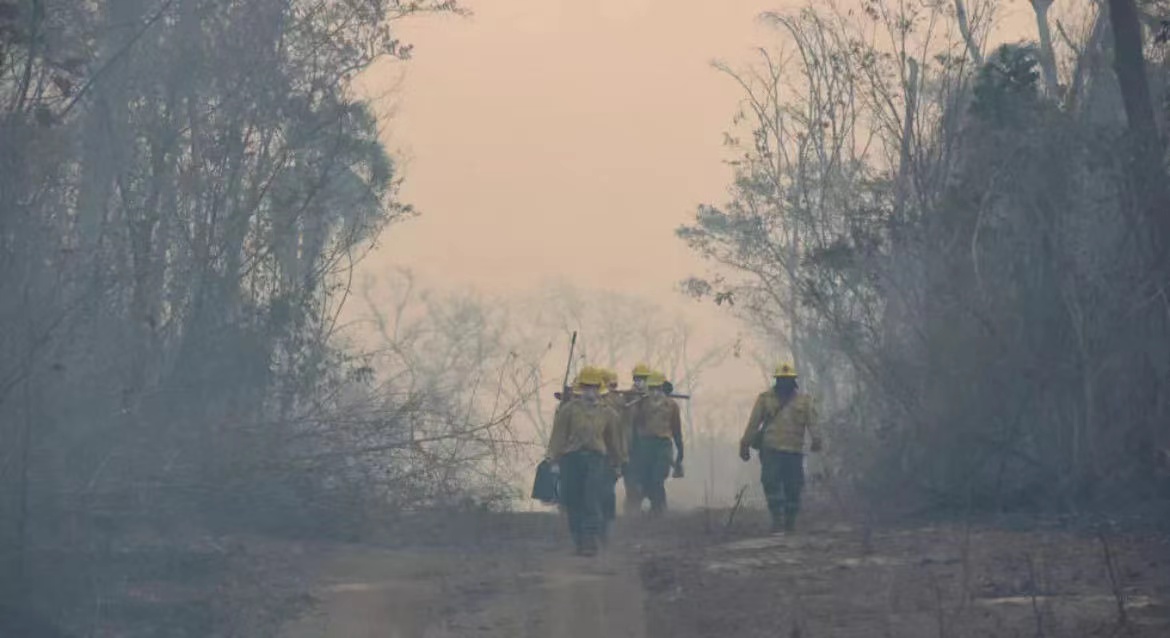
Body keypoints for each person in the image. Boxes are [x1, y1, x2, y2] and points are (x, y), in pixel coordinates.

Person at [546, 366, 624, 556]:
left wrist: (618, 463)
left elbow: (614, 441)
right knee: (573, 501)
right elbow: (558, 436)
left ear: (599, 389)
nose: (591, 391)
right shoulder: (568, 410)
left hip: (596, 460)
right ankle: (579, 541)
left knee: (592, 500)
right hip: (571, 460)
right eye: (587, 387)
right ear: (581, 388)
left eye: (594, 387)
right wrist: (553, 461)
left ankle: (590, 541)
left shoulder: (608, 413)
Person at [739, 362, 822, 534]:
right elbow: (753, 423)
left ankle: (790, 523)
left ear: (794, 381)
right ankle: (777, 520)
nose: (784, 382)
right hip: (771, 450)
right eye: (781, 379)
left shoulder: (805, 401)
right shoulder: (764, 399)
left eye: (788, 379)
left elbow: (813, 423)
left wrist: (817, 439)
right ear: (776, 380)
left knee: (794, 487)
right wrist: (745, 444)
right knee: (771, 483)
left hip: (794, 451)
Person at [627, 371, 683, 516]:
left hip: (663, 446)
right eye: (652, 389)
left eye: (658, 389)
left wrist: (680, 455)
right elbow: (633, 422)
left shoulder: (672, 406)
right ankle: (654, 507)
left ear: (664, 389)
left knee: (658, 477)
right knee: (645, 479)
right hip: (645, 446)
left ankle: (660, 509)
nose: (655, 393)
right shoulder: (641, 404)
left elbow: (677, 431)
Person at [622, 363, 653, 515]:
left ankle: (655, 510)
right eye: (637, 379)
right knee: (630, 477)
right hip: (630, 443)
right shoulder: (627, 396)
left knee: (649, 477)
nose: (639, 382)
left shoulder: (654, 397)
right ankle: (631, 510)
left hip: (648, 444)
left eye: (643, 379)